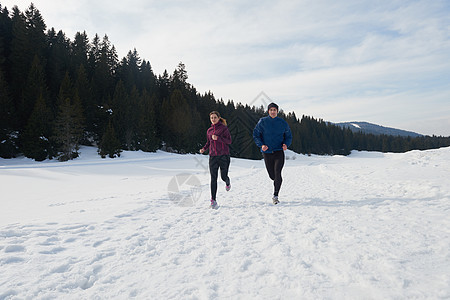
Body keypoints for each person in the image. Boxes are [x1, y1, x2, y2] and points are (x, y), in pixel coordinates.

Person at [253, 102, 292, 204]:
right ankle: (276, 184)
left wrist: (286, 144)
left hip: (279, 151)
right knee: (272, 176)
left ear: (277, 112)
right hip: (267, 152)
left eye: (275, 110)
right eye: (271, 110)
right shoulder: (263, 122)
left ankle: (275, 195)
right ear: (268, 111)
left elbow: (288, 136)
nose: (273, 112)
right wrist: (261, 145)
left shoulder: (282, 123)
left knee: (278, 172)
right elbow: (256, 135)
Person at [200, 111, 232, 209]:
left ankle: (227, 181)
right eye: (211, 118)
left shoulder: (224, 129)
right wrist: (204, 149)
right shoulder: (209, 130)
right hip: (213, 156)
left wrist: (218, 138)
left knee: (223, 176)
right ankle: (213, 200)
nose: (213, 119)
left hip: (224, 156)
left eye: (215, 117)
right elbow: (208, 142)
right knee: (213, 178)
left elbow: (229, 141)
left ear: (219, 118)